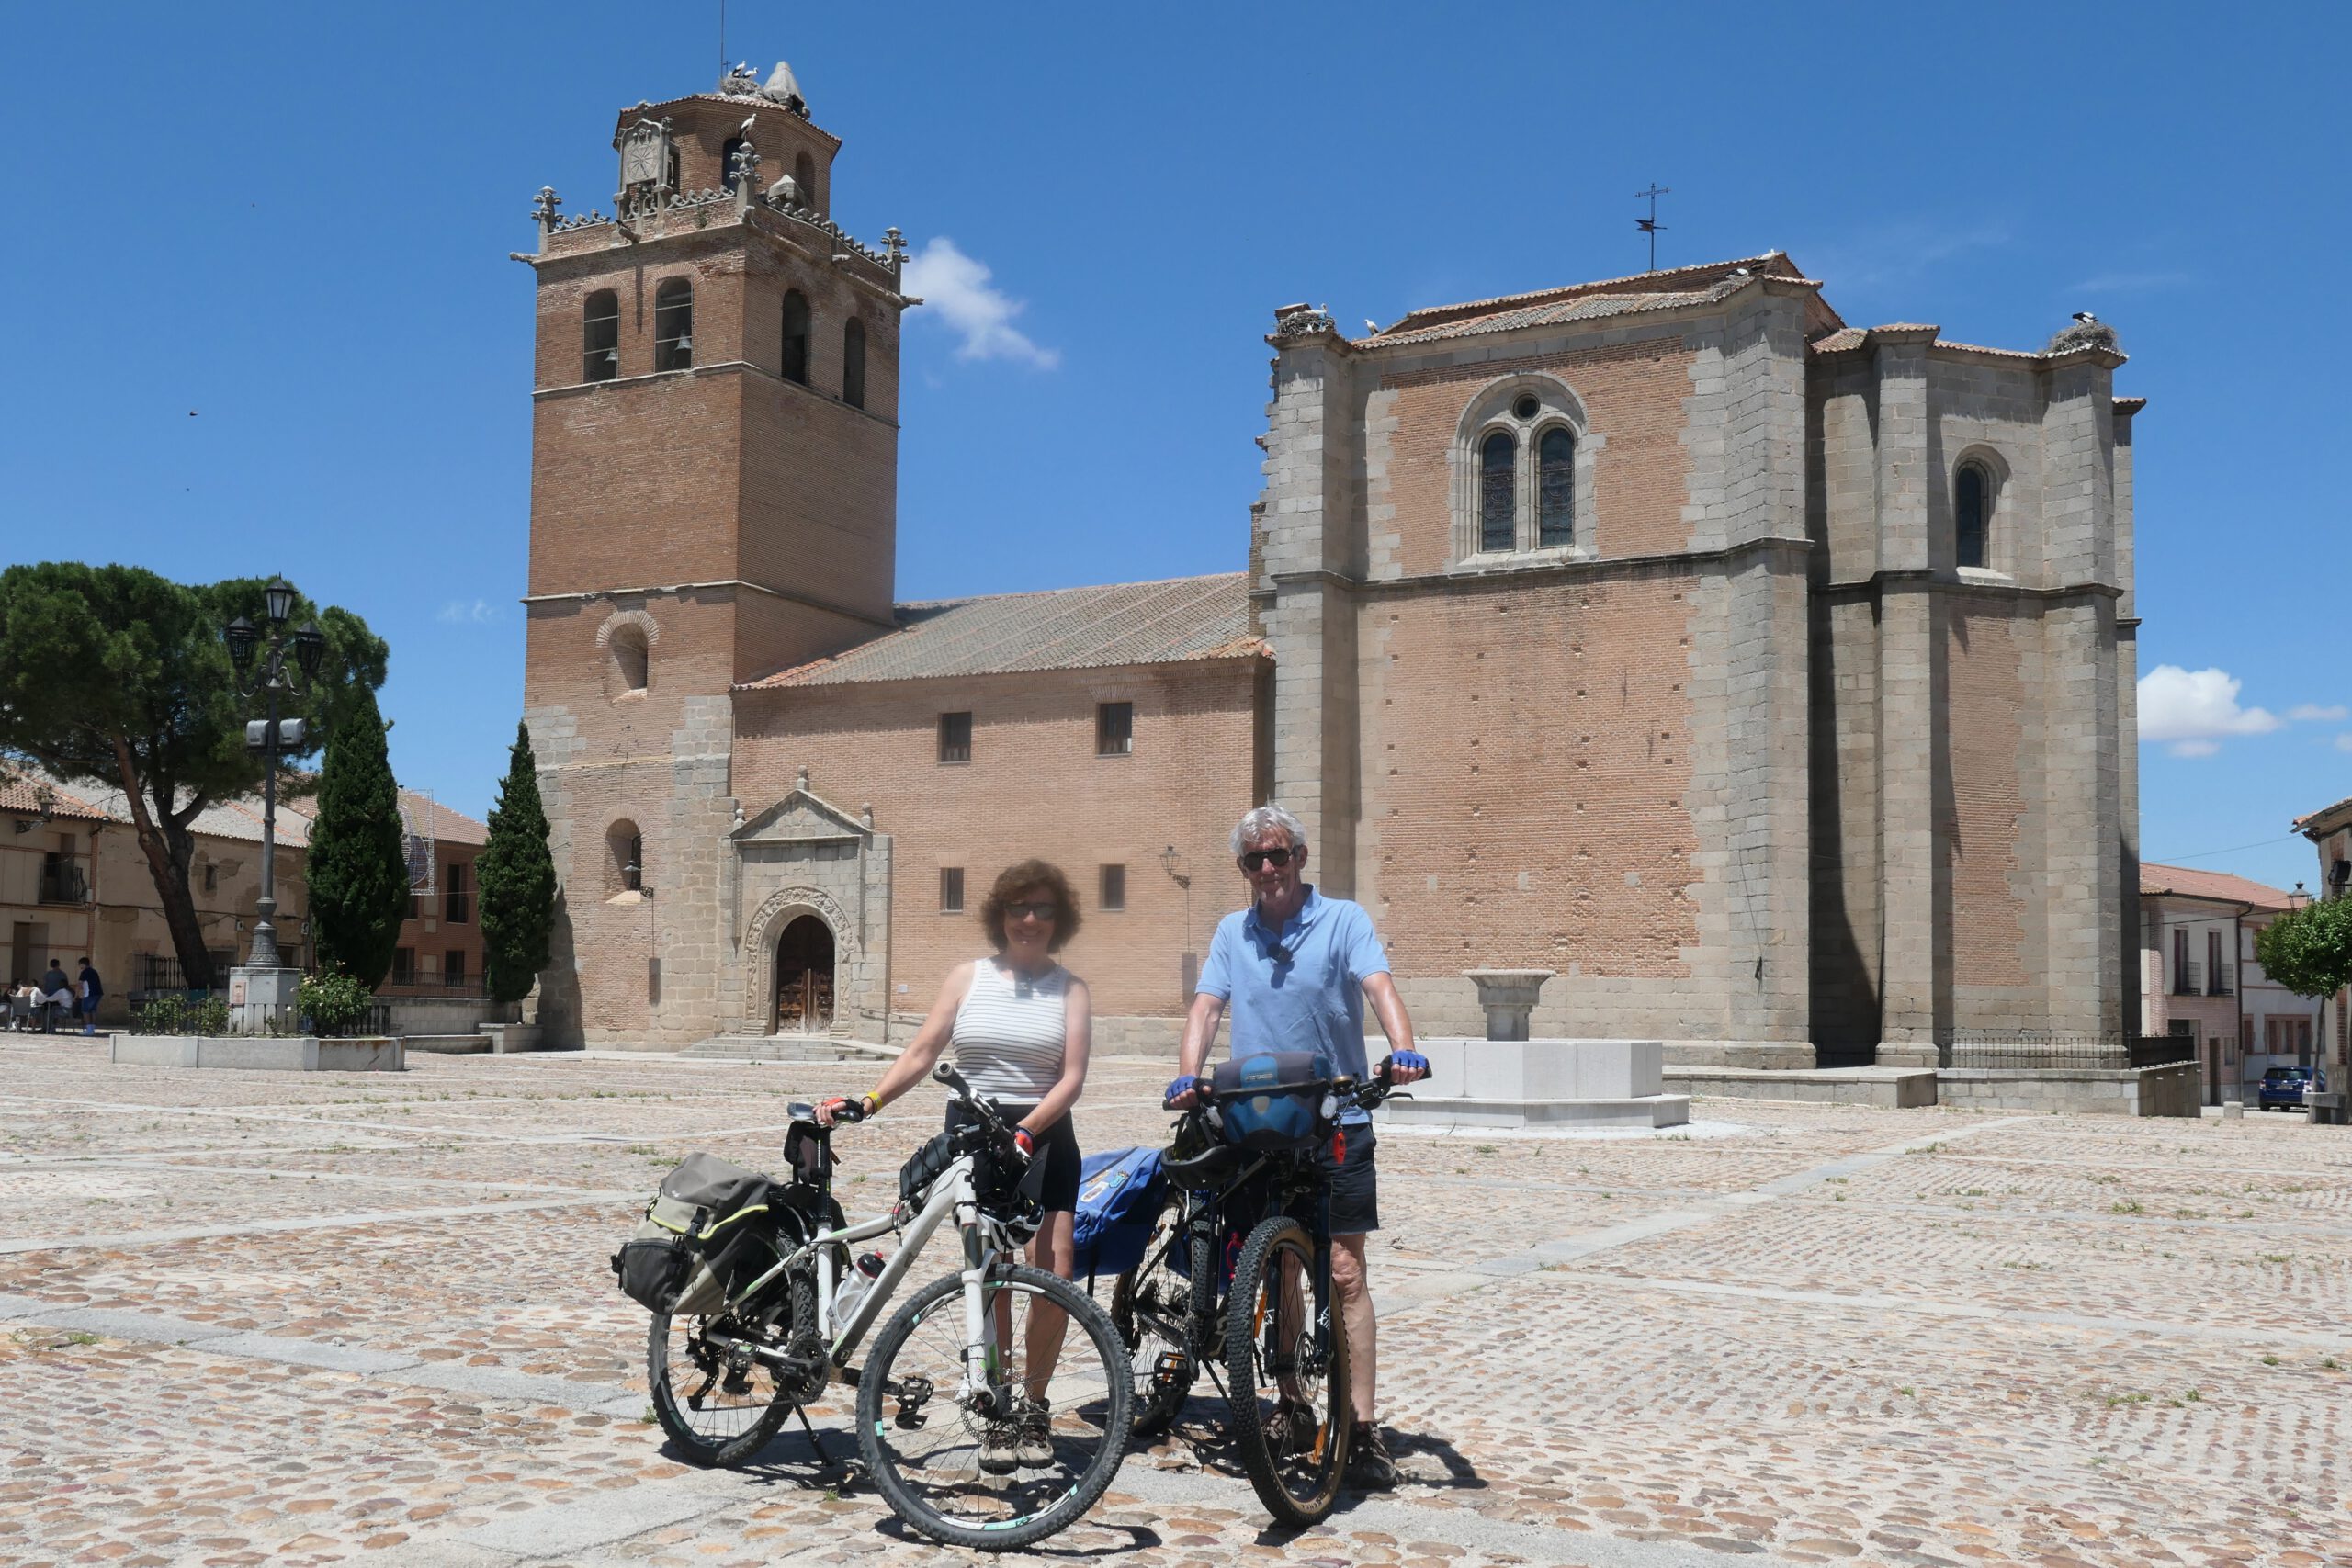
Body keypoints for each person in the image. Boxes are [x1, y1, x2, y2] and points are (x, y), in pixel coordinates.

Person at [1167, 804, 1429, 1490]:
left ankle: (1362, 1427)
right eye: (1254, 859)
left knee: (1343, 1270)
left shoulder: (1343, 920)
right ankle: (1290, 1403)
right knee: (1278, 1266)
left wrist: (1403, 1048)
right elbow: (1206, 1007)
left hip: (1337, 1117)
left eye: (1278, 854)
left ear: (1301, 857)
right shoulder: (1232, 931)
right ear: (1243, 868)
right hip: (1261, 1122)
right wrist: (1188, 1074)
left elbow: (1378, 985)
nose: (1268, 868)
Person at [818, 859, 1091, 1475]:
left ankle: (1035, 1404)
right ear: (1000, 914)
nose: (1030, 919)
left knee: (1055, 1271)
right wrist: (869, 1101)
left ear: (1060, 920)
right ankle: (998, 1408)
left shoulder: (1071, 989)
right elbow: (922, 1052)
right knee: (991, 1276)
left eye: (1043, 909)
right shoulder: (968, 977)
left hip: (1044, 1134)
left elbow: (1072, 1078)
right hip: (977, 1132)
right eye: (1019, 907)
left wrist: (1028, 1129)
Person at [36, 959, 74, 1034]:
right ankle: (52, 1028)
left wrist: (44, 995)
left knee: (46, 1012)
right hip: (57, 997)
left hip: (51, 996)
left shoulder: (48, 974)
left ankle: (45, 1028)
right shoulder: (62, 974)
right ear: (58, 964)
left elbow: (45, 985)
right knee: (53, 1013)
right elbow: (66, 984)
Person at [76, 957, 103, 1036]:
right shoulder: (94, 971)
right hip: (98, 993)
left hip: (90, 994)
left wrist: (76, 995)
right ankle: (92, 1029)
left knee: (85, 1010)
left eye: (79, 964)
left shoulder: (84, 972)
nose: (79, 966)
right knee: (93, 1010)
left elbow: (80, 984)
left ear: (82, 964)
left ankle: (89, 1030)